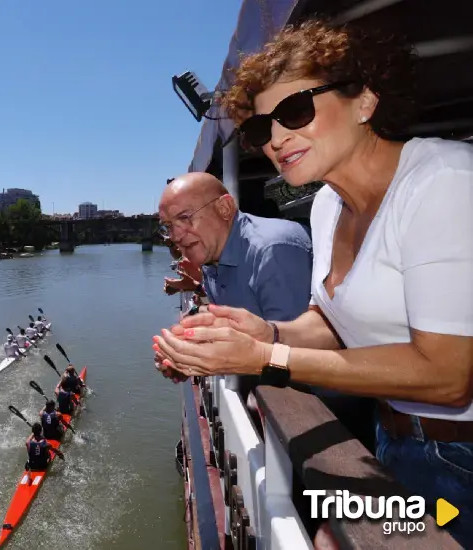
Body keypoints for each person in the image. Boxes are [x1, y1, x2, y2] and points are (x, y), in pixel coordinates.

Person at [156, 19, 473, 548]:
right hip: (392, 436)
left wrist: (266, 359)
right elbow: (330, 319)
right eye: (261, 130)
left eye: (296, 111)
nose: (277, 139)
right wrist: (266, 332)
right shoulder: (328, 204)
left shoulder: (444, 182)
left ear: (365, 100)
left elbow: (448, 375)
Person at [154, 172, 313, 386]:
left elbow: (298, 353)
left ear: (224, 208)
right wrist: (189, 357)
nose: (175, 236)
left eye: (184, 217)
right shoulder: (212, 255)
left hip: (328, 404)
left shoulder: (273, 250)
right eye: (168, 226)